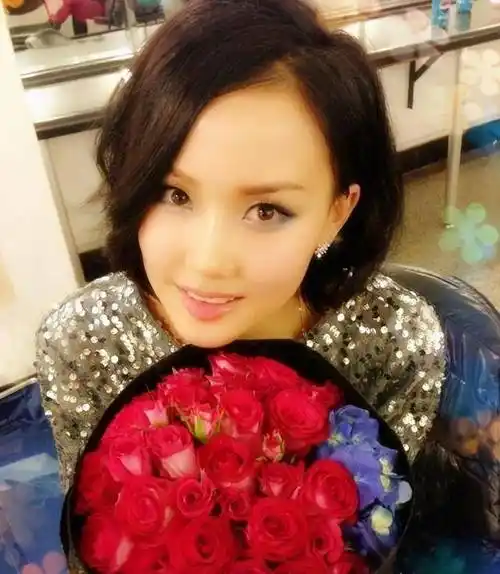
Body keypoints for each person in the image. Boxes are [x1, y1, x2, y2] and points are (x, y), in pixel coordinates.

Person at [35, 0, 445, 494]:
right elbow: (91, 522)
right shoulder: (83, 343)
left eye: (266, 211)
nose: (208, 262)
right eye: (175, 195)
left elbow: (382, 516)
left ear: (337, 213)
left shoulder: (393, 342)